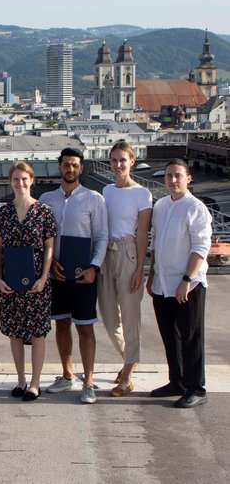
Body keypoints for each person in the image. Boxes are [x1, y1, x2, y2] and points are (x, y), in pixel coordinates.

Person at [40, 148, 107, 404]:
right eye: (66, 164)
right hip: (56, 273)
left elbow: (101, 237)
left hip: (84, 275)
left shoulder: (94, 199)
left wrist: (95, 267)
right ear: (59, 166)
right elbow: (43, 238)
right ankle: (67, 375)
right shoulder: (47, 199)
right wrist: (50, 264)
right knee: (61, 324)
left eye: (75, 165)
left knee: (85, 327)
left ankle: (88, 382)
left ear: (81, 168)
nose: (70, 169)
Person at [146, 159, 212, 408]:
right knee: (170, 335)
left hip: (188, 284)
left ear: (188, 178)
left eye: (178, 176)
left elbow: (200, 247)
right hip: (162, 282)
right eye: (169, 176)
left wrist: (187, 279)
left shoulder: (196, 208)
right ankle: (177, 381)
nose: (173, 181)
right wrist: (151, 276)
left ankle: (196, 387)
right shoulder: (161, 205)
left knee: (191, 336)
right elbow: (155, 244)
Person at [0, 161, 56, 401]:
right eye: (15, 179)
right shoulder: (3, 213)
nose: (20, 183)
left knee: (38, 333)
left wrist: (43, 277)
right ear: (10, 182)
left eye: (24, 179)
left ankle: (35, 383)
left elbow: (50, 248)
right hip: (9, 281)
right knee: (15, 333)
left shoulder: (44, 212)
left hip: (37, 283)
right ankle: (20, 380)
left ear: (32, 180)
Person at [99, 142, 152, 397]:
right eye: (114, 160)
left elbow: (142, 234)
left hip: (128, 251)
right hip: (106, 255)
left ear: (132, 161)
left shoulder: (142, 194)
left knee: (131, 318)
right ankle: (130, 358)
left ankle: (127, 375)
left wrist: (140, 269)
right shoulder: (107, 191)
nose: (118, 165)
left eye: (123, 160)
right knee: (110, 319)